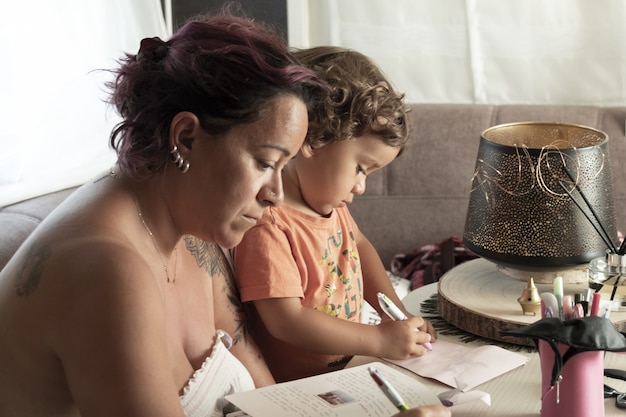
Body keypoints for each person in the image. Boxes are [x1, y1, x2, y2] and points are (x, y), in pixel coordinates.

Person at [0, 9, 450, 417]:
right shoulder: (108, 271)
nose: (276, 193)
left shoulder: (193, 229)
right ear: (187, 137)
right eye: (264, 162)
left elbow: (268, 404)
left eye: (284, 166)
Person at [234, 46, 437, 383]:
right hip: (306, 389)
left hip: (351, 368)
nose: (361, 187)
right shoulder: (269, 223)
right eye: (360, 169)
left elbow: (361, 247)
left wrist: (397, 314)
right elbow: (286, 320)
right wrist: (379, 340)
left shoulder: (332, 208)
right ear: (314, 138)